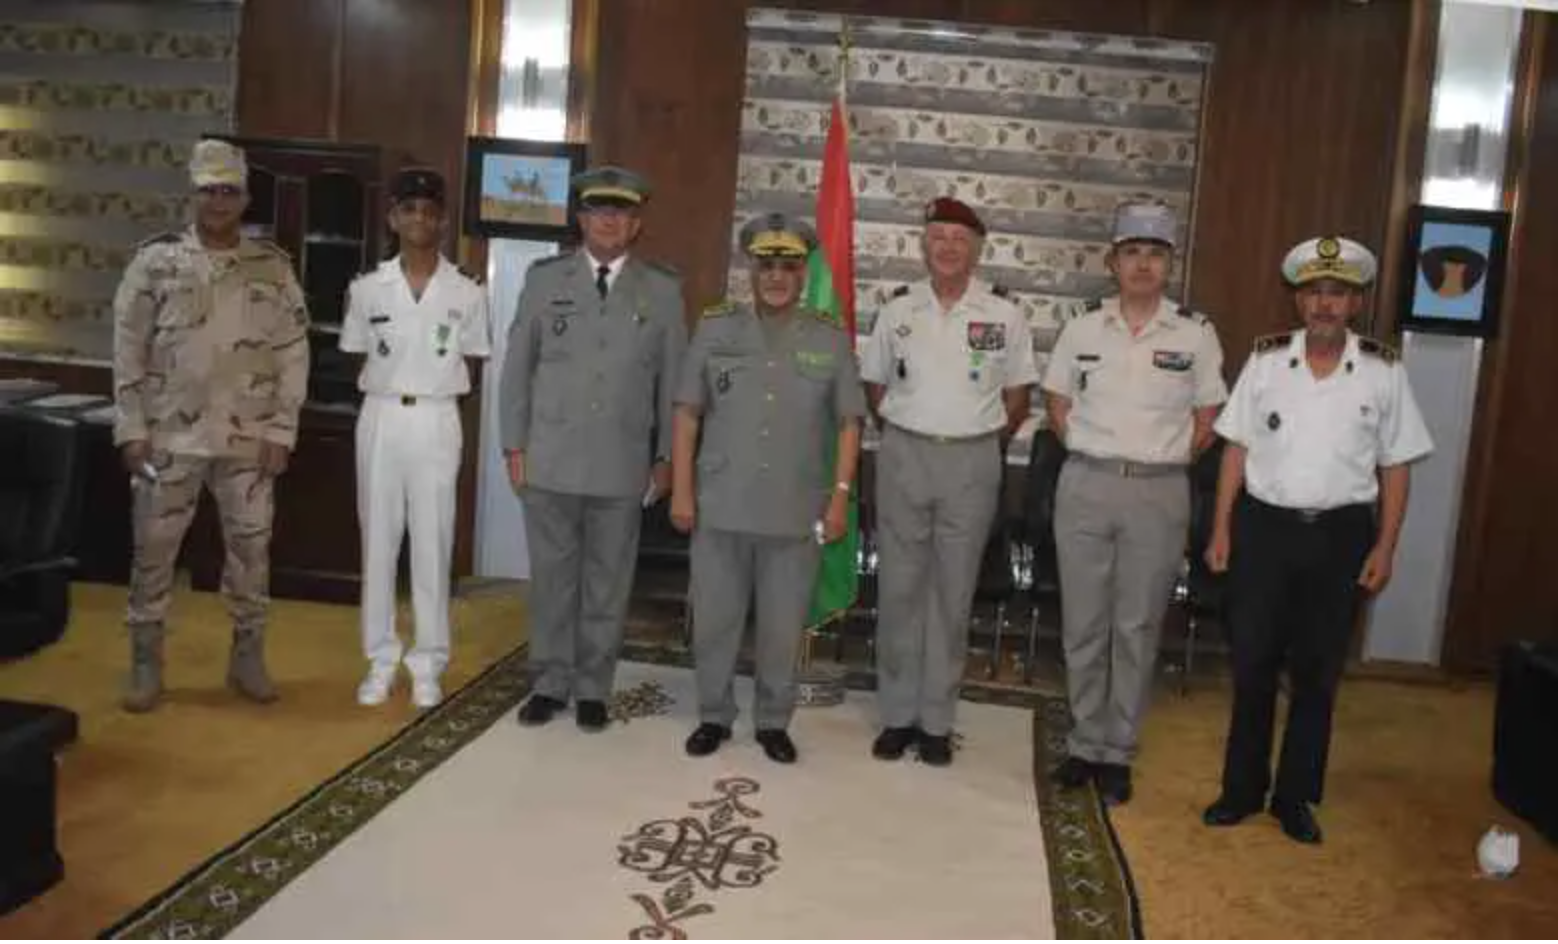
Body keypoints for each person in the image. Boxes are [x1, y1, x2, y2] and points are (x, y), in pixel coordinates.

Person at [1201, 236, 1433, 844]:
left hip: (1340, 537)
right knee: (1251, 665)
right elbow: (1236, 449)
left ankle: (1295, 797)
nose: (1324, 304)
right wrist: (1222, 528)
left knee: (1318, 672)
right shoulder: (1266, 360)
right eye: (1313, 292)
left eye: (1337, 293)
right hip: (1264, 531)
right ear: (1299, 300)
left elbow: (1397, 466)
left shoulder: (1384, 370)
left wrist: (1386, 546)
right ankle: (1241, 789)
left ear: (1355, 302)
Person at [112, 139, 310, 713]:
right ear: (192, 194)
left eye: (229, 191)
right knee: (152, 551)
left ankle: (247, 654)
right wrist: (131, 427)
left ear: (245, 197)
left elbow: (293, 352)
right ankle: (146, 660)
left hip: (248, 440)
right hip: (169, 436)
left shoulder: (271, 267)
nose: (219, 201)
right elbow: (128, 348)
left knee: (251, 550)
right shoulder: (155, 262)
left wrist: (281, 431)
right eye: (208, 191)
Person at [1040, 203, 1228, 805]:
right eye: (1131, 253)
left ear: (1169, 263)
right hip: (1088, 484)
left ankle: (1118, 750)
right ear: (1112, 261)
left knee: (1138, 624)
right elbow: (1058, 406)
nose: (1142, 264)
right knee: (1084, 622)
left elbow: (1209, 420)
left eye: (1155, 254)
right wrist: (1099, 455)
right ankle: (1083, 741)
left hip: (1159, 491)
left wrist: (1157, 459)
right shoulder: (1084, 328)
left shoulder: (1195, 333)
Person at [668, 212, 865, 764]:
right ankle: (714, 715)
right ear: (750, 270)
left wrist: (841, 495)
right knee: (714, 623)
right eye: (766, 265)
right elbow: (686, 413)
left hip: (793, 510)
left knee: (782, 629)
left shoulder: (828, 338)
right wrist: (681, 491)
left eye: (789, 266)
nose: (777, 276)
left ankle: (774, 721)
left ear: (804, 274)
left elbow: (851, 422)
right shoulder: (716, 329)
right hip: (721, 506)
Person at [499, 165, 687, 732]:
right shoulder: (543, 279)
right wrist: (514, 444)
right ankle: (549, 681)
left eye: (622, 212)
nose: (609, 220)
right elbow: (517, 370)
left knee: (609, 580)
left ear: (636, 224)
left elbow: (674, 383)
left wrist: (667, 457)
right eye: (599, 210)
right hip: (550, 456)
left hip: (621, 462)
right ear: (581, 219)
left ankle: (593, 688)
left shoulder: (662, 290)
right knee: (553, 580)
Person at [858, 196, 1039, 766]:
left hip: (971, 461)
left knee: (952, 595)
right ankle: (897, 716)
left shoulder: (1004, 314)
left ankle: (936, 721)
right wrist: (910, 429)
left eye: (959, 239)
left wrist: (982, 440)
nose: (948, 248)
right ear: (923, 244)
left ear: (977, 249)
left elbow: (1017, 397)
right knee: (900, 589)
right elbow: (877, 387)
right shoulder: (897, 309)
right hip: (905, 454)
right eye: (938, 237)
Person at [339, 167, 491, 709]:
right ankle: (380, 658)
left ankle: (428, 662)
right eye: (409, 210)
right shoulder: (366, 287)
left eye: (429, 210)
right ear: (393, 218)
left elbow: (473, 355)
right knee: (378, 541)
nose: (419, 219)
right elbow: (358, 348)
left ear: (443, 220)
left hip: (436, 417)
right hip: (381, 415)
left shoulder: (468, 290)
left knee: (433, 541)